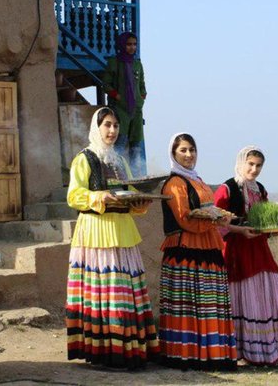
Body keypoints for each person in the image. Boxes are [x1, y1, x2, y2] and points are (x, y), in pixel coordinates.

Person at [65, 107, 159, 370]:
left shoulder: (120, 161)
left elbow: (128, 193)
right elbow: (74, 196)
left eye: (116, 125)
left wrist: (140, 202)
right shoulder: (84, 158)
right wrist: (99, 197)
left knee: (126, 295)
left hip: (123, 232)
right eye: (107, 125)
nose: (112, 130)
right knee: (104, 295)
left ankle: (128, 349)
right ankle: (105, 351)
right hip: (96, 233)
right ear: (97, 127)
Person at [158, 132, 237, 371]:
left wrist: (217, 219)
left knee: (209, 304)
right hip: (185, 251)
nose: (189, 155)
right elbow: (184, 219)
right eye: (183, 150)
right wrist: (213, 221)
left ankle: (213, 354)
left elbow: (207, 210)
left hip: (208, 248)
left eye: (192, 150)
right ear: (173, 154)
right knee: (188, 305)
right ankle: (187, 354)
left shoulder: (198, 180)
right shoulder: (174, 183)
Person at [213, 146, 278, 366]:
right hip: (237, 252)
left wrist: (273, 228)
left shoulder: (260, 189)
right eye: (250, 164)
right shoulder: (226, 189)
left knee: (265, 293)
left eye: (258, 165)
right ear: (240, 163)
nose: (254, 169)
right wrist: (240, 230)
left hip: (259, 249)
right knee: (244, 297)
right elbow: (216, 222)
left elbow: (265, 218)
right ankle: (244, 351)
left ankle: (265, 352)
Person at [102, 31, 147, 177]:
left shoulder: (137, 64)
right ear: (122, 45)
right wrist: (118, 96)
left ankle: (136, 177)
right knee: (119, 144)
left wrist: (142, 96)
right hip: (120, 110)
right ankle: (117, 175)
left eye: (134, 44)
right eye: (128, 44)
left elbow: (142, 84)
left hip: (137, 110)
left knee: (136, 145)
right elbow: (106, 84)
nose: (132, 47)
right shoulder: (114, 63)